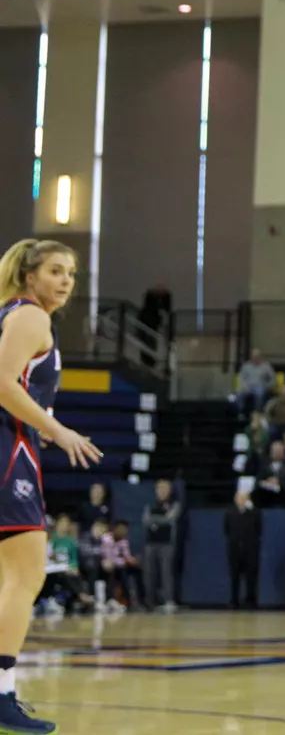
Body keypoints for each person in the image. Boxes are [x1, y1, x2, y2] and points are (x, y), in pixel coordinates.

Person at [0, 239, 100, 731]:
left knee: (11, 578)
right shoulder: (29, 317)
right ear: (28, 275)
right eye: (56, 271)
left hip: (15, 443)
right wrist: (57, 429)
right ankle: (0, 695)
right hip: (7, 450)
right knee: (26, 574)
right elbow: (2, 383)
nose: (65, 281)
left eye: (72, 274)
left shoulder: (12, 316)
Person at [141, 478, 182, 613]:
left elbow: (171, 520)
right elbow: (146, 521)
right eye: (160, 489)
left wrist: (156, 521)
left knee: (167, 573)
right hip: (150, 543)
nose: (162, 492)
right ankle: (149, 601)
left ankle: (169, 600)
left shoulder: (175, 504)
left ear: (169, 491)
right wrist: (161, 519)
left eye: (165, 489)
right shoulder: (149, 504)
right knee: (149, 573)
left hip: (167, 543)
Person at [225, 489, 261, 610]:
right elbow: (226, 529)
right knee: (234, 576)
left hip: (250, 549)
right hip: (234, 549)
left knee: (251, 576)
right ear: (235, 499)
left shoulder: (255, 512)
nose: (241, 501)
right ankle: (234, 600)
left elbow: (258, 530)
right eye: (239, 498)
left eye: (244, 498)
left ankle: (250, 600)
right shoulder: (229, 512)